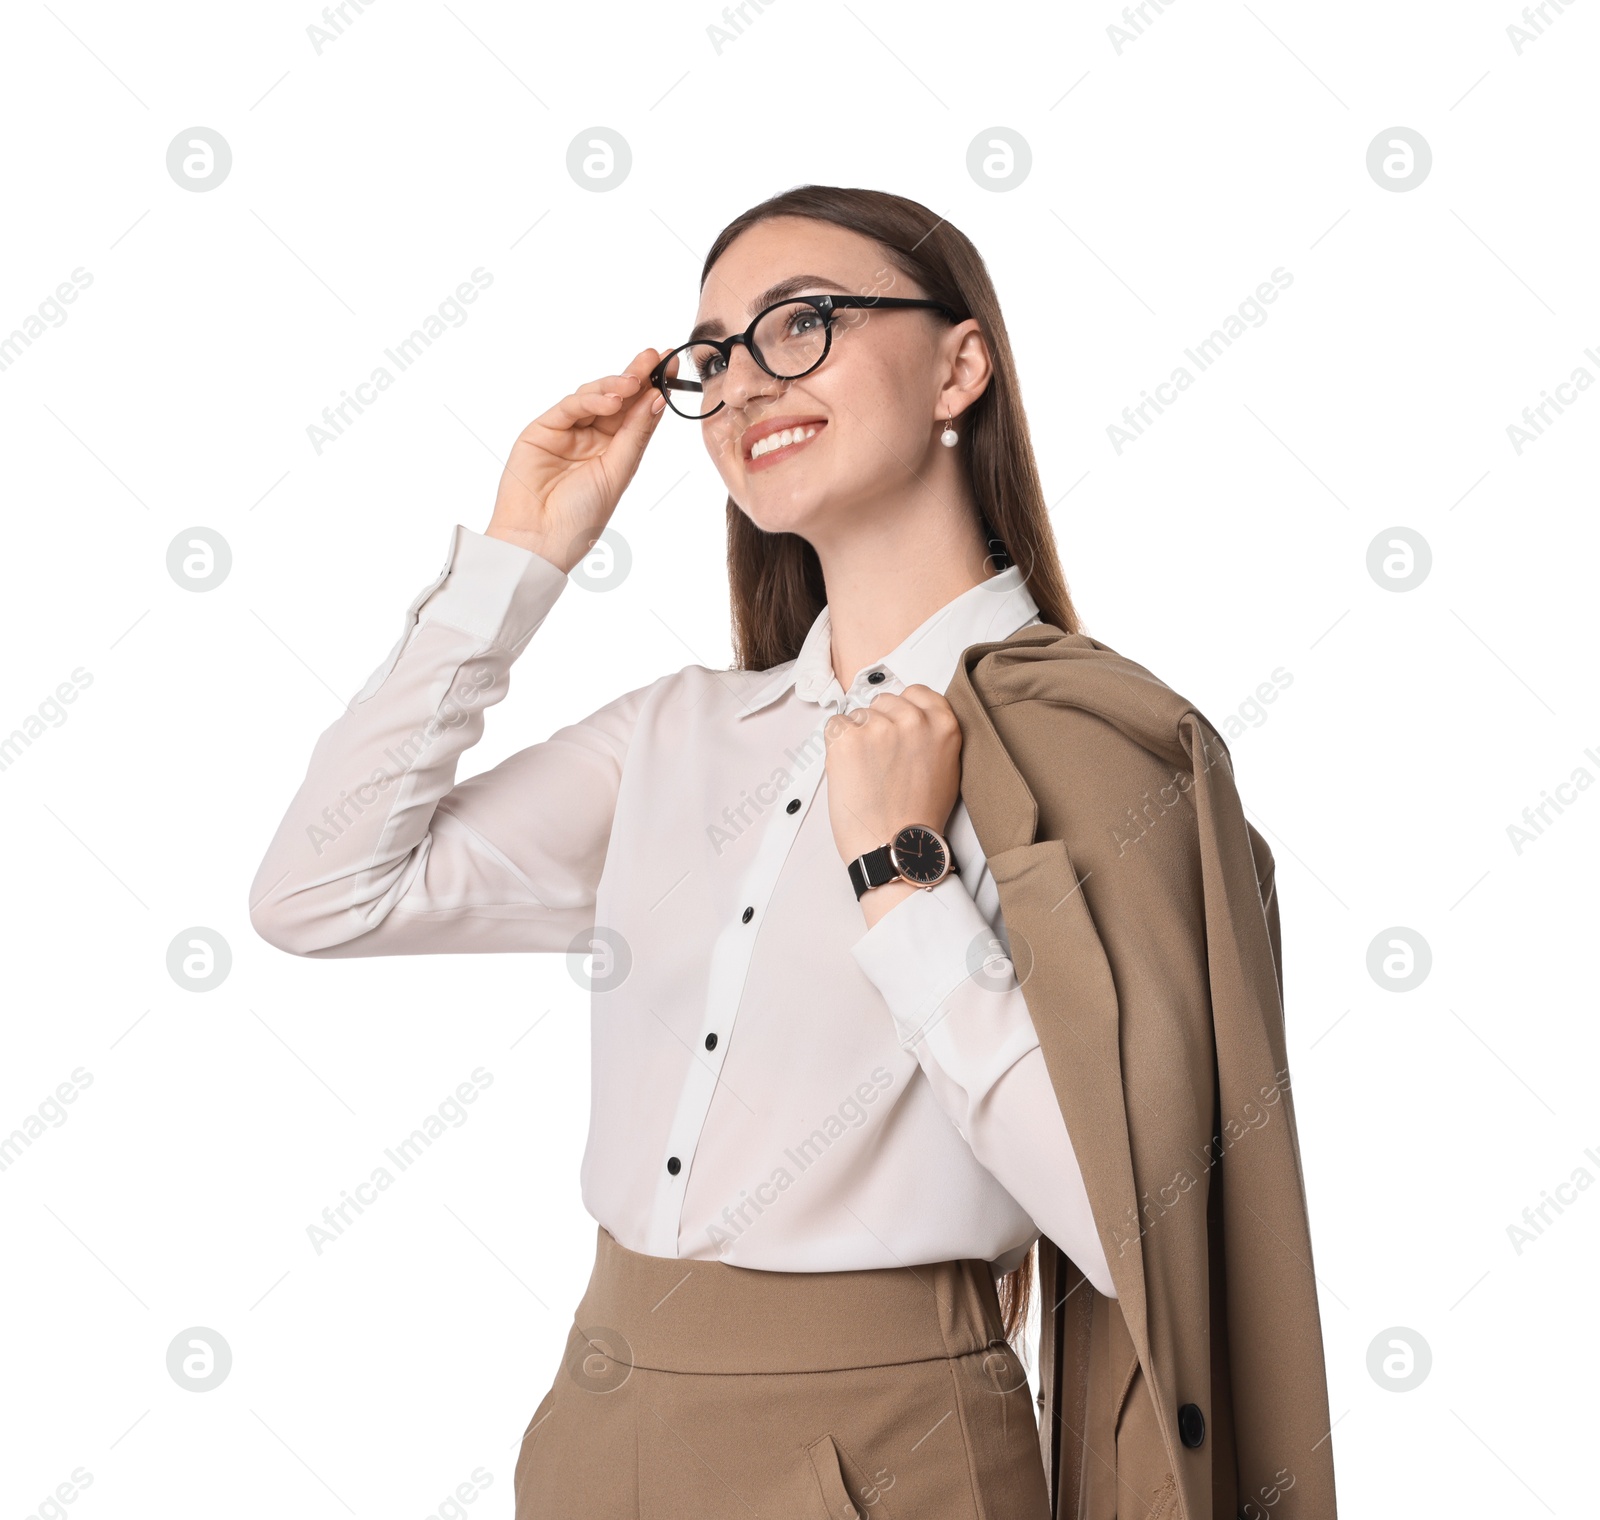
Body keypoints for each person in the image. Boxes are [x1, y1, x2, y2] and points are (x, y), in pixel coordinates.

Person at [250, 185, 1115, 1517]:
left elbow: (1138, 1222)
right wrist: (523, 559)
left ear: (962, 363)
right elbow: (319, 894)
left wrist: (903, 882)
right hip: (600, 1422)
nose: (748, 382)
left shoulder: (1089, 741)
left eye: (803, 324)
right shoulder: (680, 733)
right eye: (715, 354)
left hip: (883, 1445)